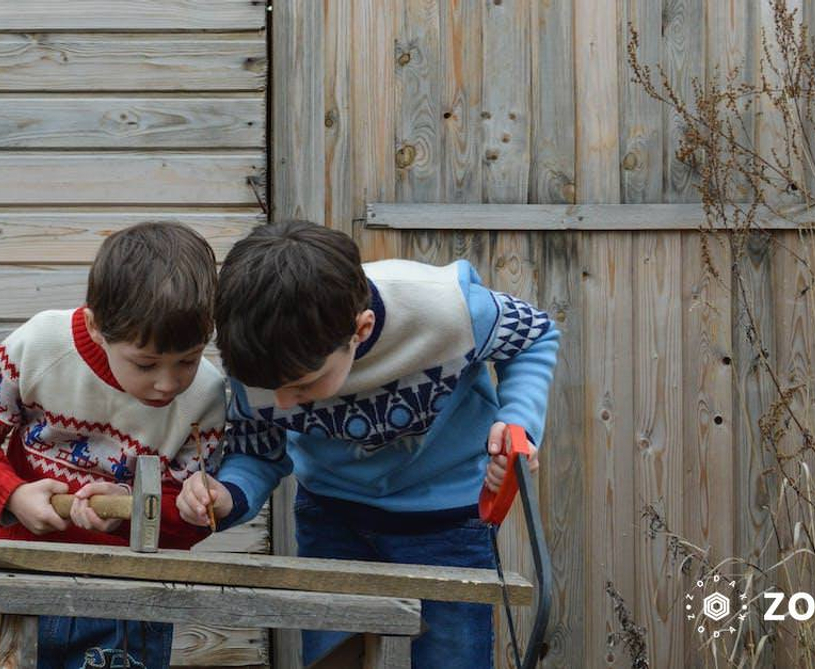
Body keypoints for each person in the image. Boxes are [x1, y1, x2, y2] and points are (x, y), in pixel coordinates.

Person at [178, 220, 560, 668]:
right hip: (333, 517)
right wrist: (225, 496)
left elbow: (535, 335)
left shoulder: (445, 310)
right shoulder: (258, 358)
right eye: (269, 388)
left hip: (447, 523)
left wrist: (517, 422)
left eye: (302, 385)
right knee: (330, 660)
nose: (281, 403)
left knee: (453, 660)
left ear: (360, 330)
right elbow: (258, 453)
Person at [0, 221, 226, 669]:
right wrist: (12, 494)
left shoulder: (206, 394)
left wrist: (135, 510)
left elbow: (194, 516)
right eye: (145, 363)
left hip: (134, 603)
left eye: (187, 360)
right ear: (95, 327)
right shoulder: (38, 346)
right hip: (25, 581)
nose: (167, 383)